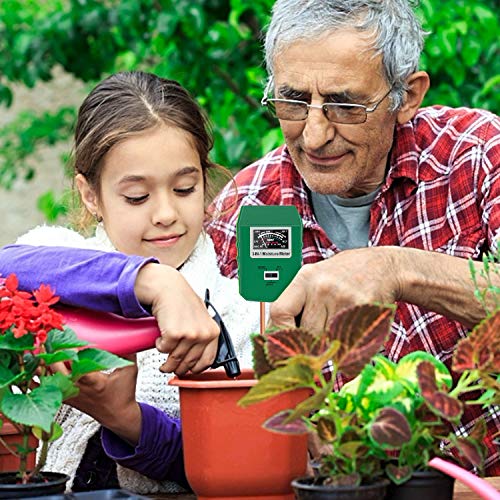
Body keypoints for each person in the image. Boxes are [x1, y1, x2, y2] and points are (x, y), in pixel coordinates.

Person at [0, 0, 498, 475]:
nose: (316, 134)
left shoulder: (476, 156)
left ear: (406, 96)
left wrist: (395, 268)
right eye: (294, 102)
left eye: (345, 105)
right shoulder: (250, 207)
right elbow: (219, 440)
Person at [7, 70, 259, 494]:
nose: (164, 213)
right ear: (91, 195)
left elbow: (222, 463)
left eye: (184, 187)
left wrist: (124, 417)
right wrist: (153, 282)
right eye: (137, 197)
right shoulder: (63, 257)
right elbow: (8, 266)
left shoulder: (237, 314)